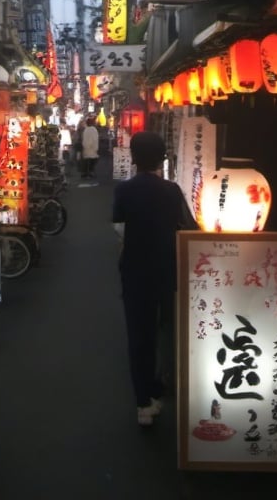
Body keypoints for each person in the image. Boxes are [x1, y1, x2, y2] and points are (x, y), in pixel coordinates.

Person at [112, 130, 198, 426]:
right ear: (162, 158)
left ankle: (143, 402)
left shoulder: (124, 190)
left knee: (139, 336)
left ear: (133, 158)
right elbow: (184, 225)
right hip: (167, 268)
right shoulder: (172, 191)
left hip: (135, 270)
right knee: (169, 328)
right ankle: (167, 384)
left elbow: (119, 228)